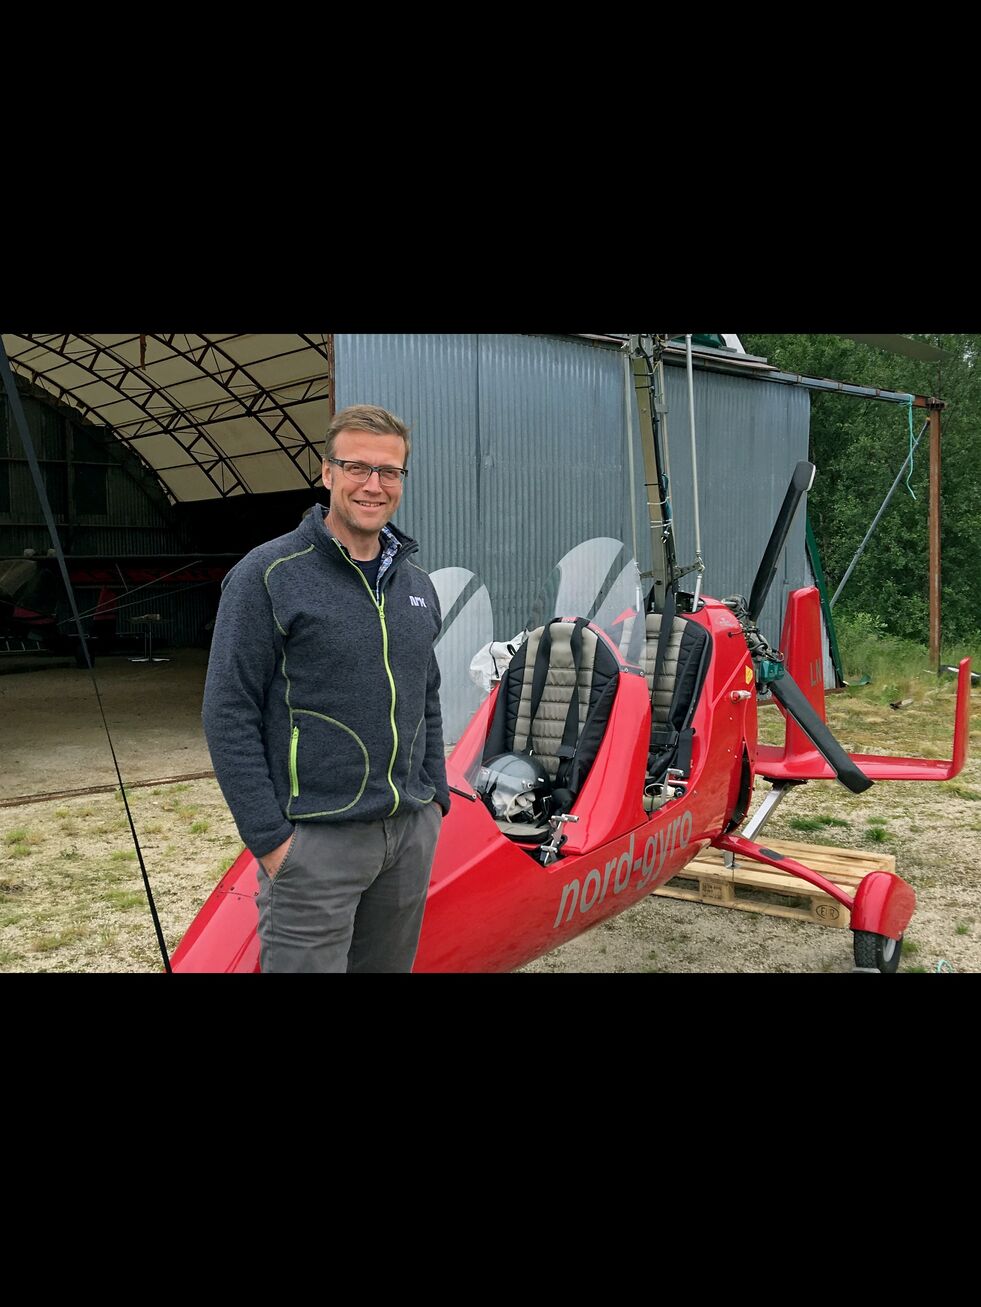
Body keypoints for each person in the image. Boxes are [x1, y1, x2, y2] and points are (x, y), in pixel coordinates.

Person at [202, 404, 449, 972]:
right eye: (356, 467)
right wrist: (271, 840)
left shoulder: (416, 585)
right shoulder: (270, 574)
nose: (373, 484)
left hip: (407, 835)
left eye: (389, 471)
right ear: (326, 472)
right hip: (315, 843)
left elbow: (425, 694)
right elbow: (227, 710)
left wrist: (434, 796)